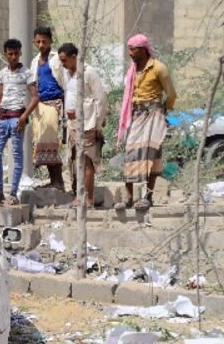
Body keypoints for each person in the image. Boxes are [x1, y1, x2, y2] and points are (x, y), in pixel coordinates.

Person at [117, 34, 177, 212]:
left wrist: (163, 110)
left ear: (143, 50)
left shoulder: (159, 68)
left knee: (152, 155)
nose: (130, 53)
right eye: (129, 49)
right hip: (135, 115)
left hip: (153, 115)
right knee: (130, 154)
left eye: (133, 49)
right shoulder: (132, 70)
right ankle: (128, 197)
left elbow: (171, 94)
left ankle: (147, 197)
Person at [58, 42, 108, 208]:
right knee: (74, 160)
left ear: (74, 57)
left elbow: (100, 99)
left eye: (65, 60)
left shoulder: (89, 72)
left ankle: (88, 199)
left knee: (87, 161)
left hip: (87, 124)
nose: (63, 64)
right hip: (72, 124)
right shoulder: (67, 74)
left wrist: (98, 125)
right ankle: (78, 197)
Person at [0, 39, 37, 204]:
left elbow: (35, 97)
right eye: (10, 54)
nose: (14, 57)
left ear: (20, 53)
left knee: (17, 156)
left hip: (17, 118)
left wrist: (24, 117)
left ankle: (13, 193)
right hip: (3, 118)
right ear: (5, 54)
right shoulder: (2, 73)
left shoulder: (27, 73)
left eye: (16, 53)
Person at [31, 26, 69, 192]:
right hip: (40, 106)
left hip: (55, 104)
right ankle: (53, 180)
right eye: (38, 41)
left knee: (53, 144)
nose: (41, 45)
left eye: (44, 41)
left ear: (50, 41)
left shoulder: (56, 59)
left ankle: (59, 181)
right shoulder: (35, 61)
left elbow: (65, 82)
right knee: (42, 146)